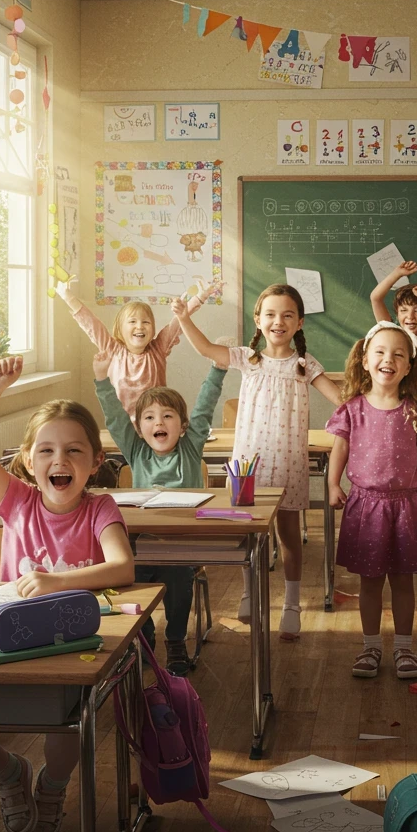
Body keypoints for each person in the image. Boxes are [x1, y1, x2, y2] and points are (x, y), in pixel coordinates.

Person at [0, 356, 135, 832]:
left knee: (65, 725)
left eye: (75, 450)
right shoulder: (17, 500)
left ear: (96, 462)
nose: (60, 460)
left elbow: (123, 567)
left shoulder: (100, 507)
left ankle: (52, 783)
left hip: (71, 647)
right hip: (4, 641)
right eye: (47, 450)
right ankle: (9, 773)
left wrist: (58, 583)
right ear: (29, 460)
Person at [170, 284, 341, 639]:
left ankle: (291, 604)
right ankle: (249, 593)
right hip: (248, 465)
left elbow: (341, 399)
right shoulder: (248, 358)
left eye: (287, 315)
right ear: (258, 320)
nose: (278, 321)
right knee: (248, 535)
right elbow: (205, 348)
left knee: (290, 537)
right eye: (271, 314)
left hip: (289, 464)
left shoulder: (304, 365)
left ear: (299, 323)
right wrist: (185, 318)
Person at [93, 346, 226, 675]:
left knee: (179, 575)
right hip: (141, 545)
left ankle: (176, 639)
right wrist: (100, 379)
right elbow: (113, 416)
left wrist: (218, 370)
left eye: (168, 416)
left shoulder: (191, 446)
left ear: (183, 425)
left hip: (184, 546)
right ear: (139, 428)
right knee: (126, 575)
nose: (159, 422)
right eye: (150, 417)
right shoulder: (136, 449)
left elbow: (205, 406)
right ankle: (144, 635)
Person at [327, 321, 417, 680]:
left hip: (407, 505)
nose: (387, 359)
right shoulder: (352, 408)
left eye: (398, 354)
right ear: (364, 359)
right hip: (365, 505)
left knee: (404, 581)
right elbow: (339, 449)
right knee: (369, 582)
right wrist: (332, 485)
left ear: (409, 366)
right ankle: (371, 647)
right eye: (380, 351)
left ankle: (404, 649)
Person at [55, 274, 221, 415]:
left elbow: (179, 320)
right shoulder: (112, 350)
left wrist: (201, 296)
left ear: (153, 328)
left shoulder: (158, 348)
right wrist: (68, 297)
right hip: (124, 429)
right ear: (120, 328)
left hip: (156, 425)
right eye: (132, 321)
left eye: (146, 322)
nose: (140, 326)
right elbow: (91, 324)